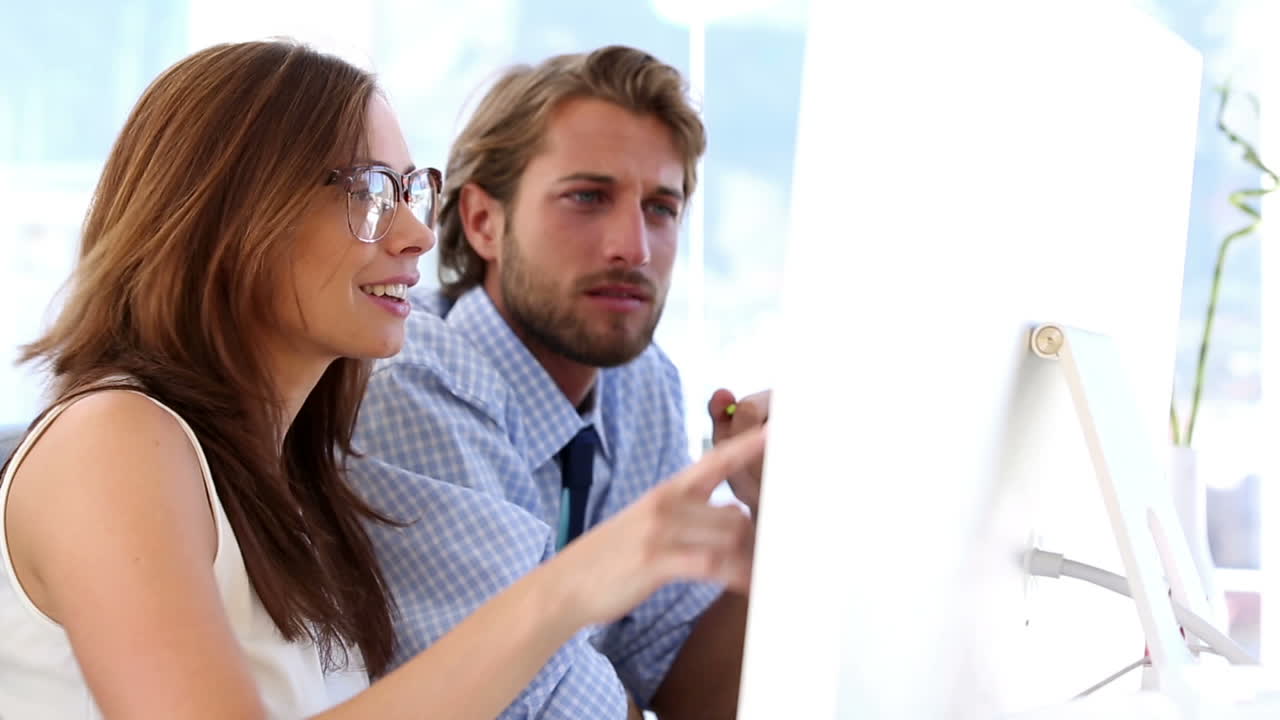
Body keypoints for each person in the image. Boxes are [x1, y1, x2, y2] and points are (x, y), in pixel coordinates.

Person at [0, 40, 762, 720]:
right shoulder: (115, 440)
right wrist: (567, 591)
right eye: (368, 193)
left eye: (410, 190)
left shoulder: (297, 483)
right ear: (232, 214)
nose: (419, 234)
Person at [349, 45, 770, 719]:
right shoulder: (412, 384)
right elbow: (530, 705)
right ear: (484, 222)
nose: (632, 247)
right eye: (587, 198)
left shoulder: (641, 385)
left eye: (661, 208)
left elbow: (695, 681)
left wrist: (779, 515)